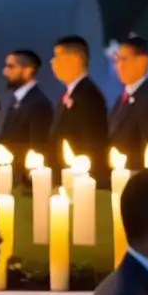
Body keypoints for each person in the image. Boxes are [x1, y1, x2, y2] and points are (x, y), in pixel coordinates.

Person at [49, 35, 109, 184]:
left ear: (75, 59)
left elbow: (92, 144)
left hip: (79, 182)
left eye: (57, 56)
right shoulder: (68, 94)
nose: (52, 62)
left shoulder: (89, 96)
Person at [109, 36, 148, 168]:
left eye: (124, 59)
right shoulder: (121, 99)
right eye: (117, 60)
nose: (119, 66)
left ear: (142, 62)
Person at [0, 49, 54, 184]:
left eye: (11, 67)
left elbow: (38, 147)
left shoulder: (38, 103)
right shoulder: (17, 100)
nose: (5, 72)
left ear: (28, 70)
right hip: (12, 178)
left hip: (26, 182)